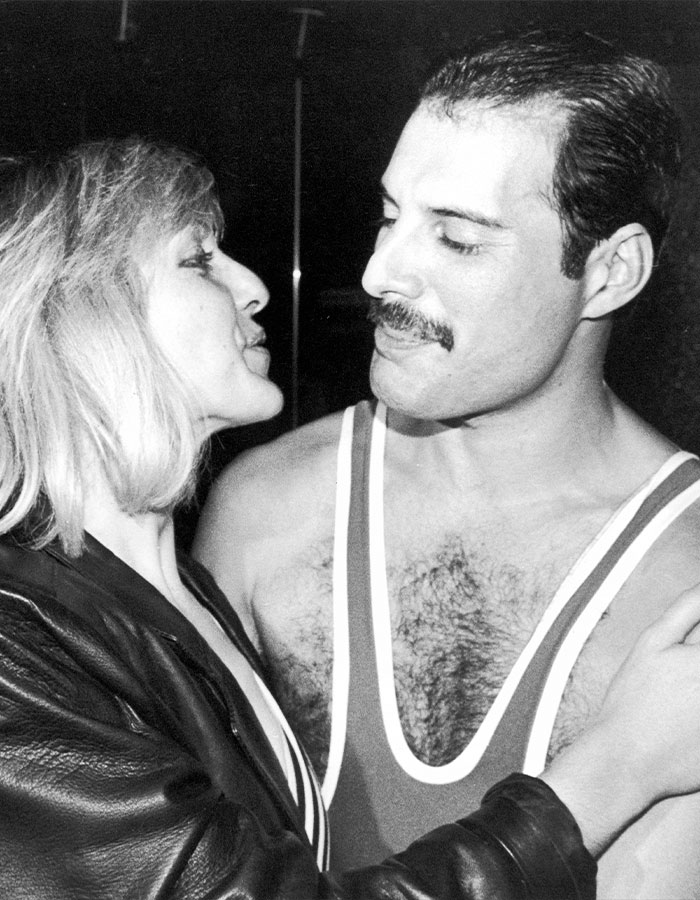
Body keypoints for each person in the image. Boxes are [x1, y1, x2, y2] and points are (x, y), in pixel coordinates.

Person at [4, 135, 696, 900]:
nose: (253, 287)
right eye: (198, 261)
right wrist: (618, 764)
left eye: (458, 236)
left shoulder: (171, 595)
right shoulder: (17, 643)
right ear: (77, 318)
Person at [193, 27, 700, 898]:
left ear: (611, 272)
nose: (379, 273)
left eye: (457, 239)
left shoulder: (682, 579)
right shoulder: (264, 508)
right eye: (391, 217)